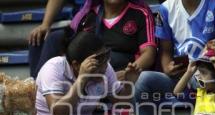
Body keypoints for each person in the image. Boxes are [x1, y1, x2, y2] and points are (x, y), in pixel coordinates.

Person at [134, 0, 215, 115]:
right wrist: (168, 67)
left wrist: (206, 60)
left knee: (198, 76)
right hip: (179, 77)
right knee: (143, 80)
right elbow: (166, 51)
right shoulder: (166, 8)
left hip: (209, 76)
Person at [28, 0, 156, 80]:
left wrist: (128, 72)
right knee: (53, 39)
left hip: (120, 69)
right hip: (90, 71)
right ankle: (37, 89)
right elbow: (74, 49)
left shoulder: (140, 13)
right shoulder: (88, 15)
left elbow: (149, 54)